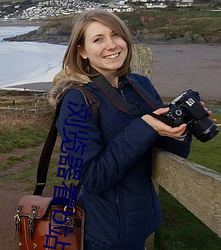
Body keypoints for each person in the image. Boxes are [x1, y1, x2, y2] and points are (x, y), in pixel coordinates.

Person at [49, 10, 211, 250]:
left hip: (142, 226)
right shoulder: (75, 101)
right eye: (98, 39)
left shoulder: (140, 85)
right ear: (82, 51)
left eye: (116, 35)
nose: (111, 45)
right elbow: (93, 177)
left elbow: (168, 152)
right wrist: (145, 126)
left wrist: (183, 127)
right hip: (103, 236)